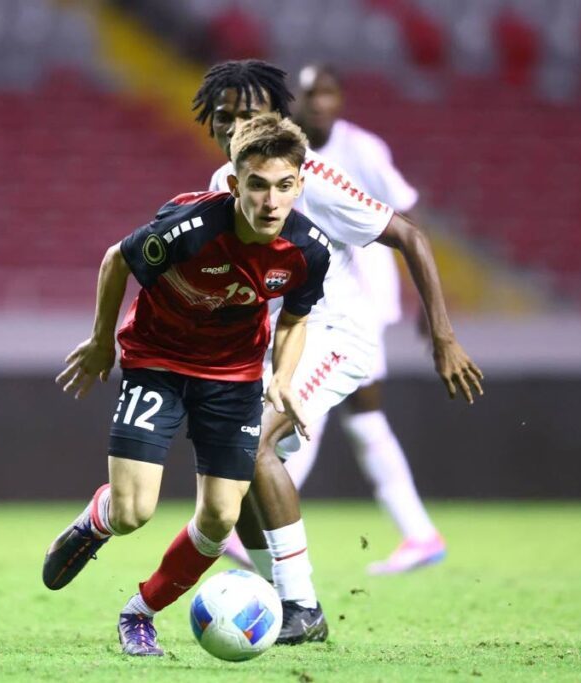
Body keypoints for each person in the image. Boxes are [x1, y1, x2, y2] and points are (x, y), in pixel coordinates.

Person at [193, 60, 484, 644]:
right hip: (281, 342)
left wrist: (444, 335)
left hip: (338, 333)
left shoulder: (309, 175)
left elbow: (410, 234)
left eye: (247, 114)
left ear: (274, 115)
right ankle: (281, 595)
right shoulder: (223, 185)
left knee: (254, 447)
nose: (233, 125)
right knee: (232, 460)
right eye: (223, 117)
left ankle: (301, 604)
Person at [41, 114, 330, 657]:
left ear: (301, 184)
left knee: (221, 518)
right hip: (158, 363)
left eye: (284, 186)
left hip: (234, 379)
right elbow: (116, 259)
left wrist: (284, 378)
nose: (271, 201)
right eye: (258, 185)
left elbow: (294, 318)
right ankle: (94, 523)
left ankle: (140, 613)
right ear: (234, 182)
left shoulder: (308, 251)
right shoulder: (189, 228)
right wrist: (103, 341)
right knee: (133, 513)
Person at [282, 63, 448, 575]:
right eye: (310, 94)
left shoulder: (363, 150)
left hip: (361, 298)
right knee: (354, 415)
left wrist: (427, 302)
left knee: (313, 407)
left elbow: (408, 219)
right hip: (320, 296)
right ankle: (418, 533)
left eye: (327, 93)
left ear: (340, 99)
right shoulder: (288, 153)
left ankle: (263, 523)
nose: (318, 103)